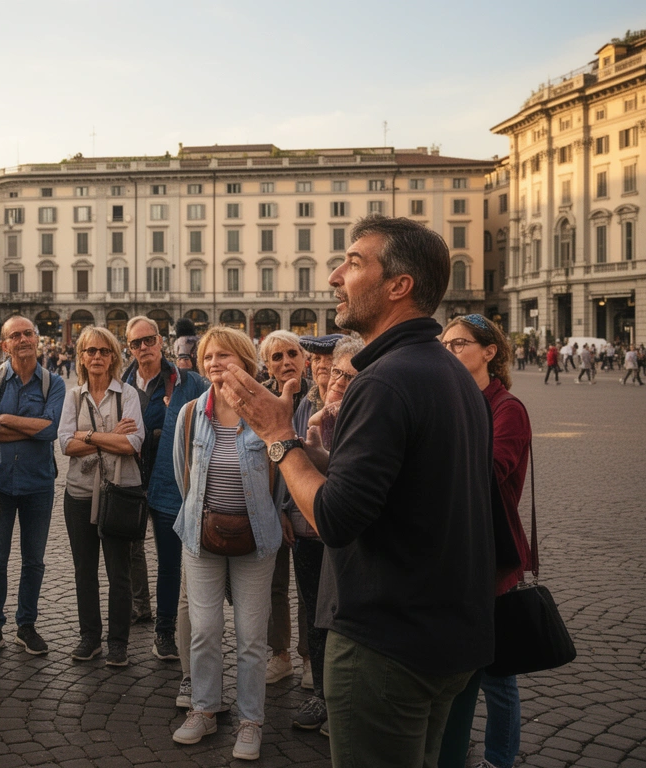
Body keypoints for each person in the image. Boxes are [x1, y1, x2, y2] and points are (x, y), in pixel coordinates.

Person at [229, 215, 496, 767]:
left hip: (387, 644)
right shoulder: (447, 372)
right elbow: (400, 482)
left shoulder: (385, 380)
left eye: (353, 262)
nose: (334, 276)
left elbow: (336, 517)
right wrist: (310, 451)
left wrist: (279, 437)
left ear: (399, 285)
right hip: (446, 635)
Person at [168, 326, 286, 761]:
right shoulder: (190, 414)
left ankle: (251, 720)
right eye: (208, 357)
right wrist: (204, 516)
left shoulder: (268, 412)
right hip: (202, 535)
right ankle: (204, 709)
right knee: (204, 630)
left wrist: (265, 520)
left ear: (246, 361)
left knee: (253, 636)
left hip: (257, 537)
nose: (215, 364)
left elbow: (282, 479)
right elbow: (184, 476)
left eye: (225, 356)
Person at [436, 314, 534, 768]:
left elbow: (491, 471)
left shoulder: (506, 408)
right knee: (455, 667)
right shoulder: (453, 399)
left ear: (489, 352)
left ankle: (500, 758)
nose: (449, 351)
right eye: (445, 344)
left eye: (459, 344)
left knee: (497, 675)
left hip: (492, 552)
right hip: (453, 552)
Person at [121, 315, 209, 680]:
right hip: (126, 482)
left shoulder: (187, 382)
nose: (144, 348)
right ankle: (133, 614)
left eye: (149, 340)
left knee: (171, 562)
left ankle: (165, 631)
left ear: (162, 341)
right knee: (126, 554)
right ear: (129, 348)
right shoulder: (120, 384)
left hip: (170, 483)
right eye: (136, 343)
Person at [0, 316, 65, 657]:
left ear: (37, 339)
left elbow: (52, 430)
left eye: (29, 333)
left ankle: (26, 625)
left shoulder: (53, 383)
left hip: (38, 483)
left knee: (35, 560)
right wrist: (31, 426)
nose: (24, 339)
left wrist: (7, 420)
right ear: (4, 344)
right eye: (16, 335)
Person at [289, 335, 362, 737]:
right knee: (314, 613)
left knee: (341, 617)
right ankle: (321, 692)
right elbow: (288, 462)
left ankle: (342, 702)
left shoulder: (362, 415)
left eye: (348, 376)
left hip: (341, 533)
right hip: (307, 528)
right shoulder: (308, 407)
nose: (335, 379)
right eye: (335, 370)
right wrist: (287, 510)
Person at [59, 326, 143, 667]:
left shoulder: (128, 395)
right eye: (90, 351)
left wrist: (89, 435)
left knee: (119, 572)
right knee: (84, 571)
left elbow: (132, 444)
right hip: (78, 494)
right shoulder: (73, 396)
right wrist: (109, 435)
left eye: (103, 351)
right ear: (81, 357)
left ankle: (119, 642)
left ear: (113, 357)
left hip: (119, 492)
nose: (96, 357)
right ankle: (90, 637)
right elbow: (65, 445)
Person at [257, 329, 313, 686]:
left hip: (310, 504)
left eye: (291, 353)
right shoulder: (260, 398)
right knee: (273, 584)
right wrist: (277, 509)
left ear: (304, 358)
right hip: (272, 503)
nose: (285, 361)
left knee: (310, 587)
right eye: (276, 357)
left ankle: (310, 655)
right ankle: (279, 654)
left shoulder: (320, 394)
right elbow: (256, 458)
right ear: (266, 365)